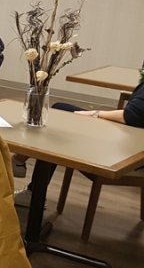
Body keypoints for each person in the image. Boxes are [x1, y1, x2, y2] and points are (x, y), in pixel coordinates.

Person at [13, 80, 144, 206]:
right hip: (129, 140)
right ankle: (24, 173)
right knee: (61, 118)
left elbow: (131, 116)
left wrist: (95, 114)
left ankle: (22, 169)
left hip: (129, 152)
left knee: (62, 119)